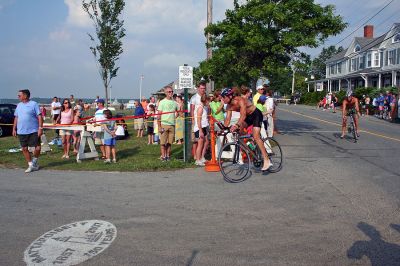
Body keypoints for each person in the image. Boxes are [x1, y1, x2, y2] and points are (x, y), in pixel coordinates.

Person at [221, 87, 271, 171]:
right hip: (248, 117)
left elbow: (243, 115)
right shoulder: (228, 106)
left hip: (256, 114)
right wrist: (224, 129)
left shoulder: (240, 100)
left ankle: (267, 160)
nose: (222, 99)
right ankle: (251, 146)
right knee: (238, 133)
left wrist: (236, 125)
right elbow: (227, 119)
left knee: (256, 136)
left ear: (229, 96)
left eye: (223, 97)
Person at [12, 89, 43, 173]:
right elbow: (16, 117)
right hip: (21, 131)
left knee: (38, 148)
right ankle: (30, 165)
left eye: (19, 95)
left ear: (25, 96)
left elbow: (40, 116)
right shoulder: (19, 105)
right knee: (24, 148)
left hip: (33, 130)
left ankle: (34, 162)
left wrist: (40, 128)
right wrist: (14, 128)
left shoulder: (34, 104)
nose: (18, 97)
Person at [157, 86, 178, 161]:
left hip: (172, 125)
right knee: (163, 143)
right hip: (164, 125)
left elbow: (178, 112)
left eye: (172, 91)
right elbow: (158, 116)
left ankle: (167, 156)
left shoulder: (175, 103)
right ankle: (163, 156)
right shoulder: (162, 102)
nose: (171, 93)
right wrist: (159, 126)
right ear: (165, 93)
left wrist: (175, 117)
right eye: (169, 92)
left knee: (170, 142)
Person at [190, 81, 206, 160]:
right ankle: (196, 157)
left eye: (204, 88)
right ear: (198, 88)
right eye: (201, 88)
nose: (203, 90)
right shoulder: (194, 97)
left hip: (204, 122)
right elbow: (192, 110)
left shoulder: (205, 97)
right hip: (197, 121)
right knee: (196, 141)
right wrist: (193, 119)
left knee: (205, 141)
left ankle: (201, 157)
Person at [193, 94, 210, 166]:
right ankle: (197, 160)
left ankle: (202, 157)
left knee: (206, 142)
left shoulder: (205, 107)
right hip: (199, 128)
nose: (209, 102)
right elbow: (198, 120)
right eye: (208, 101)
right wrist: (200, 131)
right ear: (205, 100)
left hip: (204, 127)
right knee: (200, 144)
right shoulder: (200, 108)